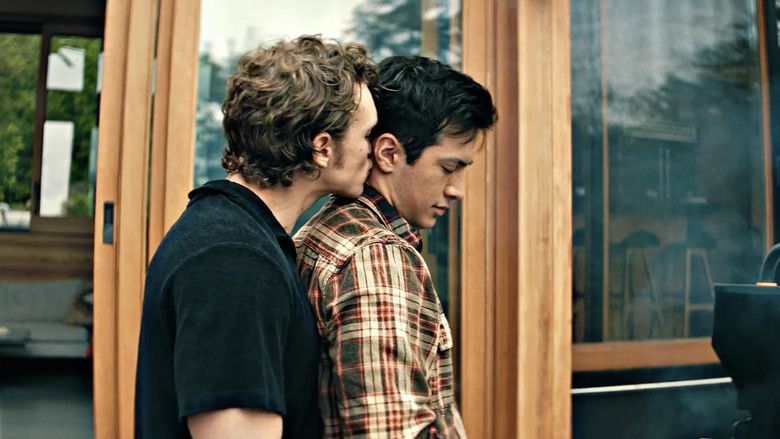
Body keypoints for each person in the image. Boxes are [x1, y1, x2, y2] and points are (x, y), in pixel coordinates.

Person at [134, 35, 378, 438]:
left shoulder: (236, 236)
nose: (373, 151)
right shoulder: (233, 260)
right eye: (367, 134)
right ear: (322, 147)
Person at [295, 56, 497, 438]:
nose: (457, 190)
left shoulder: (329, 230)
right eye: (448, 168)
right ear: (389, 153)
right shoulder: (376, 255)